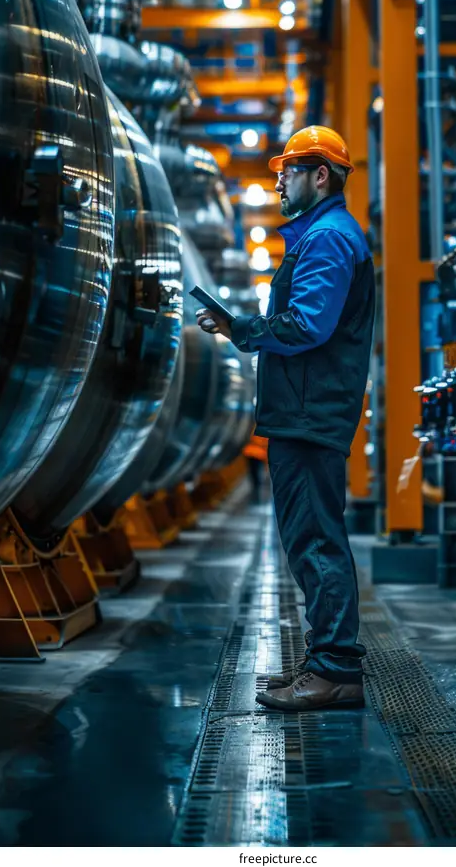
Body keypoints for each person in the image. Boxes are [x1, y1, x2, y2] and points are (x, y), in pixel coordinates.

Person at [196, 125, 375, 712]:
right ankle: (325, 660)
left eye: (288, 171)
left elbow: (306, 326)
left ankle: (336, 670)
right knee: (308, 540)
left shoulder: (328, 239)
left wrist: (241, 329)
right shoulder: (319, 236)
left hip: (311, 412)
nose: (278, 182)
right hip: (306, 410)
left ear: (320, 175)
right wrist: (239, 325)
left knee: (317, 540)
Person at [242, 431, 269, 504]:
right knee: (257, 476)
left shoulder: (253, 429)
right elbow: (266, 446)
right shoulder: (265, 432)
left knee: (253, 475)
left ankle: (255, 495)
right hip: (259, 455)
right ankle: (256, 496)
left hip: (249, 453)